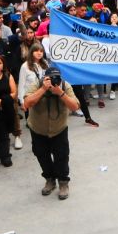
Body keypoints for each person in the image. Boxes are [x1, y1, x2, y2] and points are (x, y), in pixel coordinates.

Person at [23, 67, 80, 200]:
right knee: (42, 155)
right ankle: (49, 179)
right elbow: (27, 103)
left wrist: (60, 92)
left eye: (57, 78)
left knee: (62, 156)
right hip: (38, 129)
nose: (54, 81)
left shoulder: (65, 86)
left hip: (59, 129)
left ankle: (63, 182)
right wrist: (43, 89)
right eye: (50, 78)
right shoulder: (37, 84)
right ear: (45, 78)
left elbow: (75, 107)